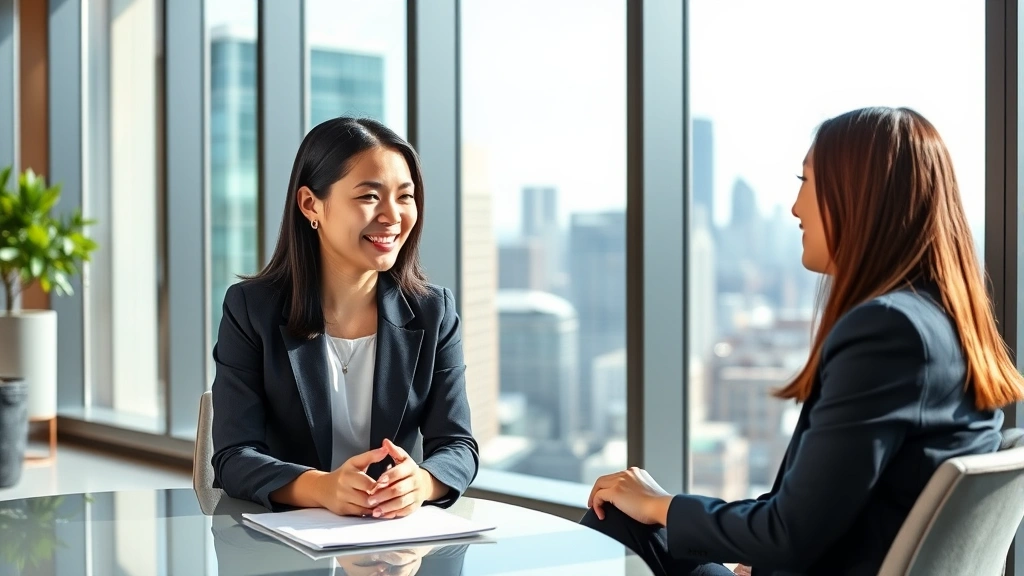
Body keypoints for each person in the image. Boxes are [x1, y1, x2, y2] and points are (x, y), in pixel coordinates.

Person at [581, 107, 1024, 576]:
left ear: (858, 197)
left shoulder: (887, 332)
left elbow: (788, 533)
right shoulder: (946, 324)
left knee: (620, 517)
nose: (795, 207)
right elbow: (834, 506)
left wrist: (662, 506)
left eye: (807, 181)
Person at [210, 117, 479, 518]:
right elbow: (233, 457)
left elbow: (458, 446)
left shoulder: (433, 311)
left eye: (405, 197)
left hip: (391, 544)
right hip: (283, 542)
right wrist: (322, 487)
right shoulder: (251, 309)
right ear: (310, 204)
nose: (392, 216)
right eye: (370, 196)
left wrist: (419, 483)